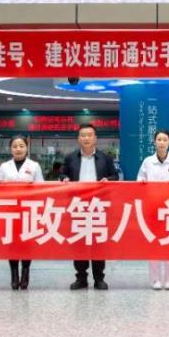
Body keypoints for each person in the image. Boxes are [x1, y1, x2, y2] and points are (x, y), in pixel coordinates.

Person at [61, 123, 118, 290]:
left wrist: (108, 180)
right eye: (83, 135)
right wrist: (64, 178)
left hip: (98, 206)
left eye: (89, 135)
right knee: (79, 243)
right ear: (78, 139)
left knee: (98, 243)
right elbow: (63, 174)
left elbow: (115, 176)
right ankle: (81, 278)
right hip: (77, 206)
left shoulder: (105, 158)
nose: (86, 138)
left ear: (95, 138)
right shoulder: (70, 158)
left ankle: (99, 278)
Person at [136, 129, 169, 290]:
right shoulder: (148, 161)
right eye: (159, 139)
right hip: (152, 208)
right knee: (154, 244)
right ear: (154, 142)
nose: (162, 142)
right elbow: (139, 179)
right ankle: (155, 280)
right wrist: (141, 181)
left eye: (165, 139)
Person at [0, 135, 44, 289]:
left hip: (29, 210)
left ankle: (25, 271)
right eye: (15, 146)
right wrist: (1, 185)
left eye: (21, 146)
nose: (18, 149)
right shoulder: (4, 166)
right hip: (9, 210)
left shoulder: (34, 166)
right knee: (12, 243)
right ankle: (14, 273)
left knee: (27, 242)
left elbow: (42, 188)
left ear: (27, 148)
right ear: (10, 149)